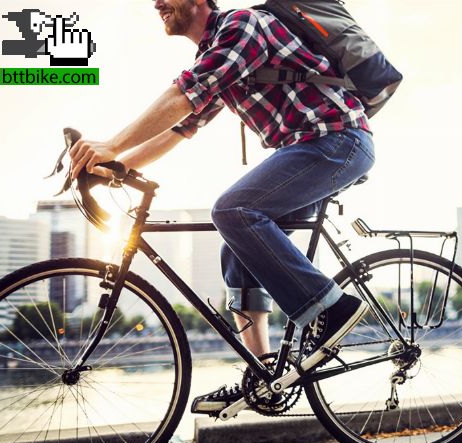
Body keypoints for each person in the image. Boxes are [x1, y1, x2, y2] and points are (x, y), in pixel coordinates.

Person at [68, 0, 374, 414]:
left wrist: (110, 144)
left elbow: (183, 93)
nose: (156, 3)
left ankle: (332, 309)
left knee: (233, 211)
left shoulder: (242, 25)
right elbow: (179, 129)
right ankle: (265, 375)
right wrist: (114, 165)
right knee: (238, 241)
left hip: (336, 141)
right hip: (310, 148)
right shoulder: (216, 50)